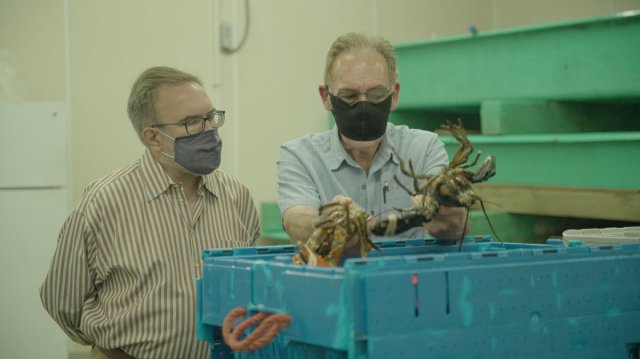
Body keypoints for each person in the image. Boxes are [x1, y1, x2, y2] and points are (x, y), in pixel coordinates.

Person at [40, 66, 260, 359]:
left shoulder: (237, 197)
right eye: (192, 123)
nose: (210, 131)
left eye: (211, 117)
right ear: (153, 138)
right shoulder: (104, 202)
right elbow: (62, 302)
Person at [277, 32, 467, 244]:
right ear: (326, 97)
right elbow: (296, 220)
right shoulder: (301, 155)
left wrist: (449, 218)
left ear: (394, 95)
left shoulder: (424, 148)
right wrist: (329, 226)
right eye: (350, 96)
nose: (364, 107)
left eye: (377, 95)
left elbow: (456, 223)